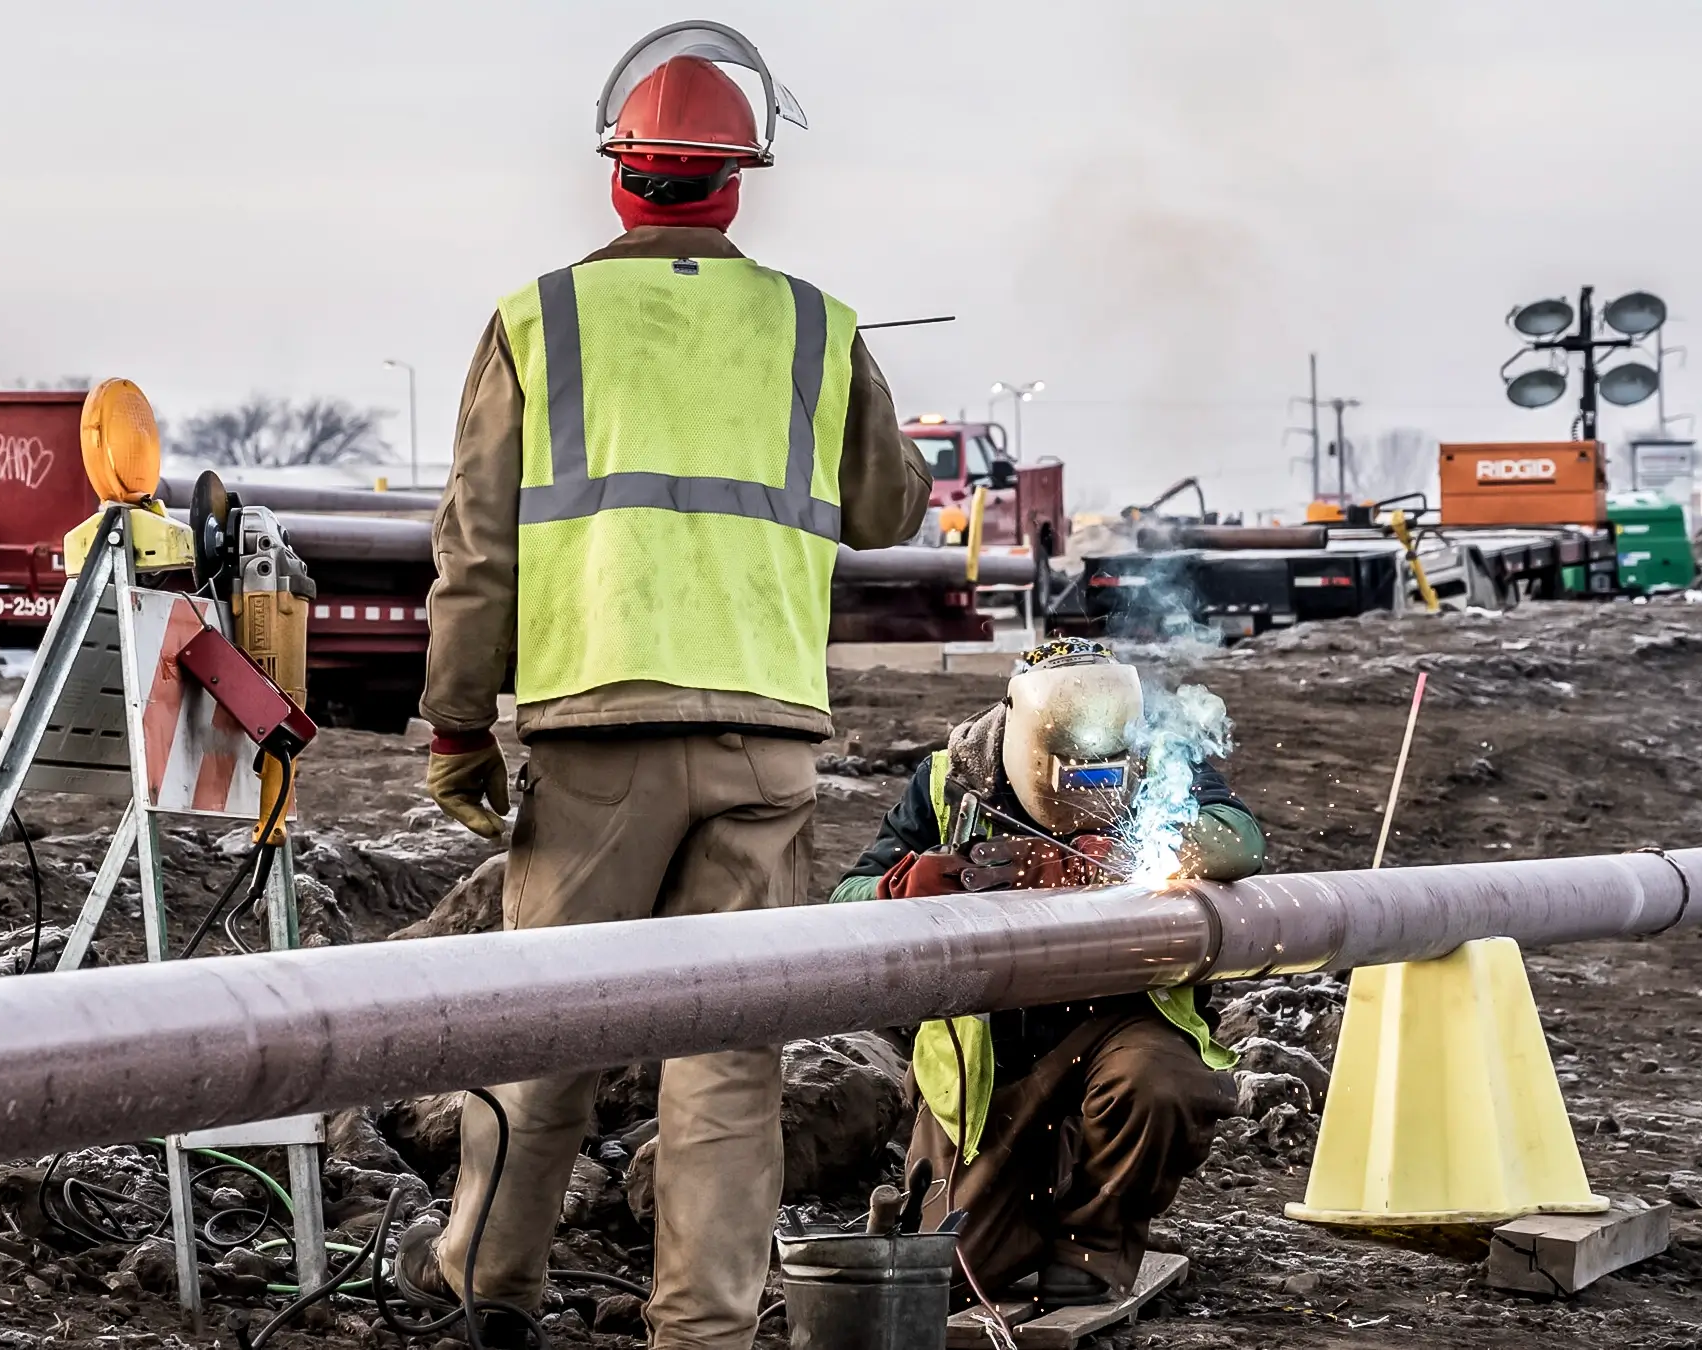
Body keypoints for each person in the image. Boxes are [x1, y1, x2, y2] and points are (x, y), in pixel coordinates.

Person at [400, 20, 933, 1350]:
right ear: (737, 180)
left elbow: (475, 547)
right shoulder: (817, 327)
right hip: (765, 743)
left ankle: (488, 1294)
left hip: (594, 738)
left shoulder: (542, 320)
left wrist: (457, 724)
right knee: (728, 1057)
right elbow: (888, 508)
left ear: (619, 174)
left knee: (545, 1029)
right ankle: (701, 1326)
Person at [829, 637, 1265, 1307]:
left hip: (1120, 1016)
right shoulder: (955, 777)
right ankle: (1032, 1187)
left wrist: (1128, 851)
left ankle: (1094, 1239)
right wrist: (902, 889)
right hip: (994, 1047)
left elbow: (1240, 836)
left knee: (1159, 1085)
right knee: (948, 1278)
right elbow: (841, 904)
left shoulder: (1159, 760)